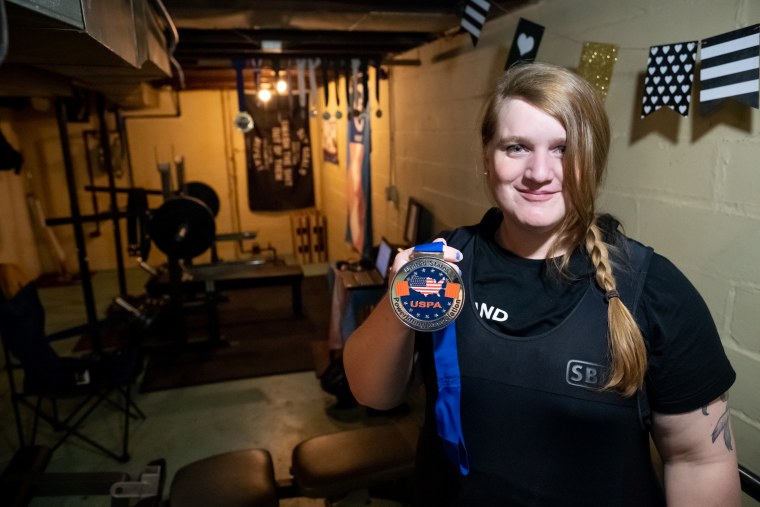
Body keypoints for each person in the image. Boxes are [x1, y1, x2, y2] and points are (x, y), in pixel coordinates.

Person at [343, 62, 739, 506]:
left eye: (563, 149)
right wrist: (399, 301)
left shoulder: (653, 291)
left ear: (593, 159)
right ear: (487, 157)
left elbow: (697, 460)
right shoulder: (442, 267)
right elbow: (373, 394)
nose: (539, 172)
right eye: (516, 147)